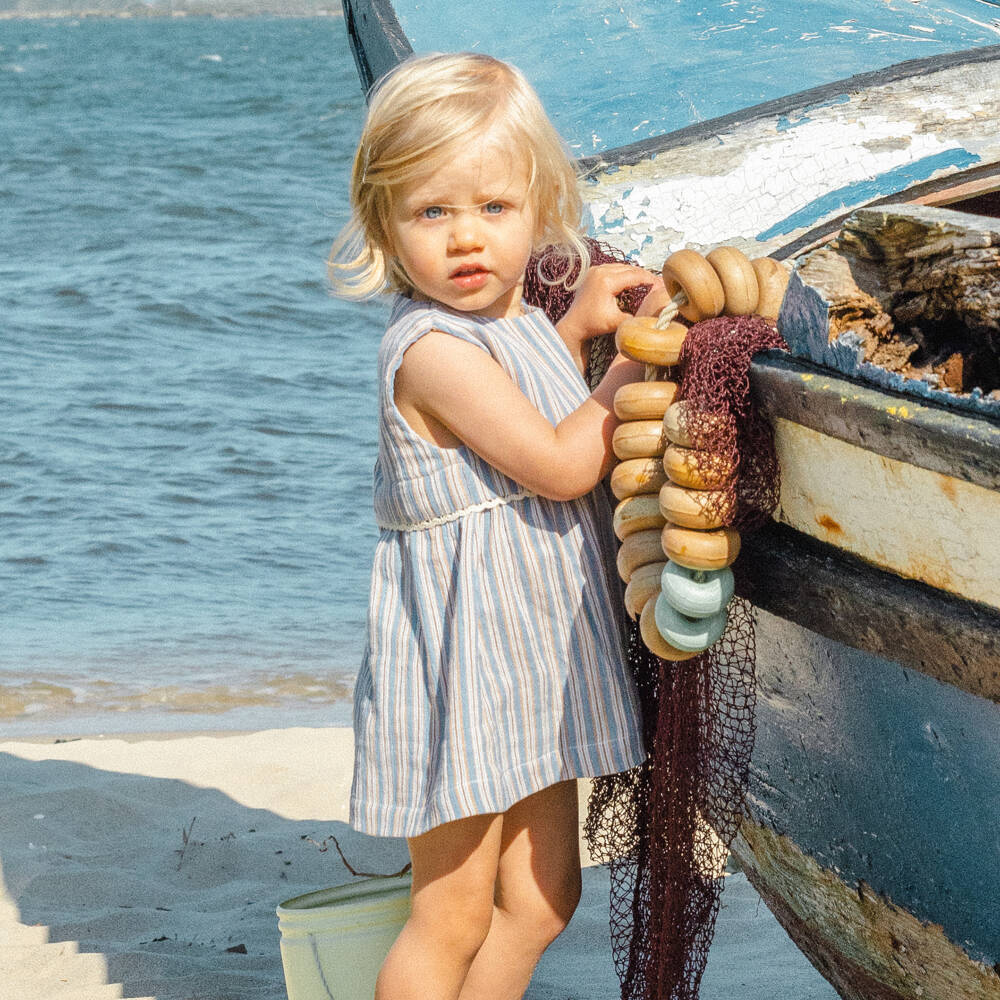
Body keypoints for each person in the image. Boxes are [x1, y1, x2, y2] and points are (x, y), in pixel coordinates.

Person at [329, 51, 665, 1000]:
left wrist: (573, 330)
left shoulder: (508, 323)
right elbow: (559, 465)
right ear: (384, 225)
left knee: (545, 898)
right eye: (433, 213)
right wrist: (630, 361)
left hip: (531, 657)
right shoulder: (429, 347)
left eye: (494, 209)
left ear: (539, 206)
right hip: (464, 667)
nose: (466, 240)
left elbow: (527, 403)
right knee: (454, 914)